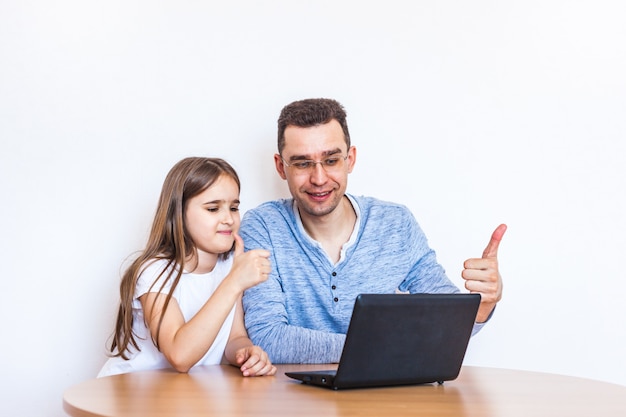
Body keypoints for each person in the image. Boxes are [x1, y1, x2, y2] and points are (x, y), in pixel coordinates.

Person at [240, 98, 507, 364]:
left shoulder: (395, 224)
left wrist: (482, 306)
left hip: (382, 397)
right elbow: (268, 338)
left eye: (331, 160)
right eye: (302, 164)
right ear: (280, 167)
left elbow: (449, 324)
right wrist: (384, 346)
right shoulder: (262, 227)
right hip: (292, 398)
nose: (319, 179)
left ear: (350, 159)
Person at [98, 157, 276, 377]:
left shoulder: (229, 267)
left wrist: (246, 352)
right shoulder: (154, 271)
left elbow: (234, 337)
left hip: (179, 395)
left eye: (233, 207)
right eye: (213, 209)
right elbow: (179, 356)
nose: (228, 219)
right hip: (130, 395)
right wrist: (233, 283)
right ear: (179, 213)